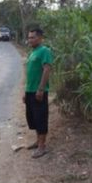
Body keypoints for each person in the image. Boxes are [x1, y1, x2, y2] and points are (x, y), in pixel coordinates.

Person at [24, 27, 53, 158]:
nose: (30, 40)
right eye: (29, 37)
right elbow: (30, 74)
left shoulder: (44, 51)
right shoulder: (32, 52)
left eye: (33, 37)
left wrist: (41, 89)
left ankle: (42, 147)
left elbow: (47, 70)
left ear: (40, 38)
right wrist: (26, 92)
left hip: (39, 92)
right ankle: (37, 141)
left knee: (41, 118)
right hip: (30, 91)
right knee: (33, 118)